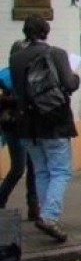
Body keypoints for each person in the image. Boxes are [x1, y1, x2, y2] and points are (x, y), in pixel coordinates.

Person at [9, 16, 80, 243]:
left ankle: (44, 212)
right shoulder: (56, 53)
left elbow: (18, 89)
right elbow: (69, 84)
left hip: (27, 124)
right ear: (45, 31)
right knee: (60, 171)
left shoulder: (15, 58)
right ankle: (49, 216)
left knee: (41, 171)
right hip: (54, 121)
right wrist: (76, 76)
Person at [0, 48, 38, 222]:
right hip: (14, 127)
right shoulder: (7, 76)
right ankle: (1, 198)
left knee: (32, 167)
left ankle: (33, 205)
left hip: (26, 126)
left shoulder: (25, 75)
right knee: (18, 168)